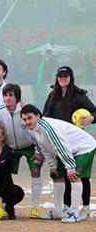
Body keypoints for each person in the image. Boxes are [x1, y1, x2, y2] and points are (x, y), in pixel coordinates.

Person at [21, 105, 96, 223]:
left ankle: (74, 213)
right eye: (24, 119)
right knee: (56, 175)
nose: (27, 122)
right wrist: (53, 166)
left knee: (74, 175)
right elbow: (44, 148)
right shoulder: (32, 130)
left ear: (38, 116)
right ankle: (57, 212)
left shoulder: (47, 127)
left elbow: (61, 146)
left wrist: (70, 167)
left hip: (84, 146)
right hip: (70, 149)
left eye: (30, 118)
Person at [43, 66, 96, 219]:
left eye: (66, 75)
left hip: (77, 142)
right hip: (59, 141)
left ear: (71, 77)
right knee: (64, 173)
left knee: (81, 175)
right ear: (57, 77)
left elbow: (94, 111)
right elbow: (45, 115)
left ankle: (85, 208)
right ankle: (65, 207)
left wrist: (91, 118)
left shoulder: (79, 95)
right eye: (60, 75)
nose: (63, 78)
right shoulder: (52, 95)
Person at [0, 84, 43, 219]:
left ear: (17, 97)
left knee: (35, 171)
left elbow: (38, 130)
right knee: (5, 175)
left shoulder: (26, 110)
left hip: (30, 147)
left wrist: (39, 150)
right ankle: (7, 206)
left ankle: (35, 207)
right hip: (10, 148)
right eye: (5, 95)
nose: (7, 98)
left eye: (11, 95)